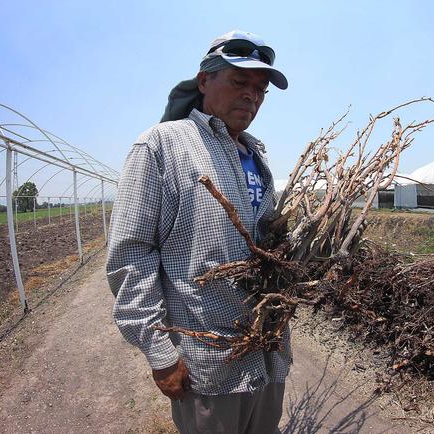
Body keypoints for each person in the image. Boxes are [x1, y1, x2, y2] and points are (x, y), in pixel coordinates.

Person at [106, 30, 290, 434]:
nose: (252, 96)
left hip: (267, 351)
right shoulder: (161, 146)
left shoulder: (256, 156)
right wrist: (160, 353)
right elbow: (131, 255)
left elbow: (262, 245)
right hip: (210, 364)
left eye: (260, 89)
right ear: (204, 81)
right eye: (240, 82)